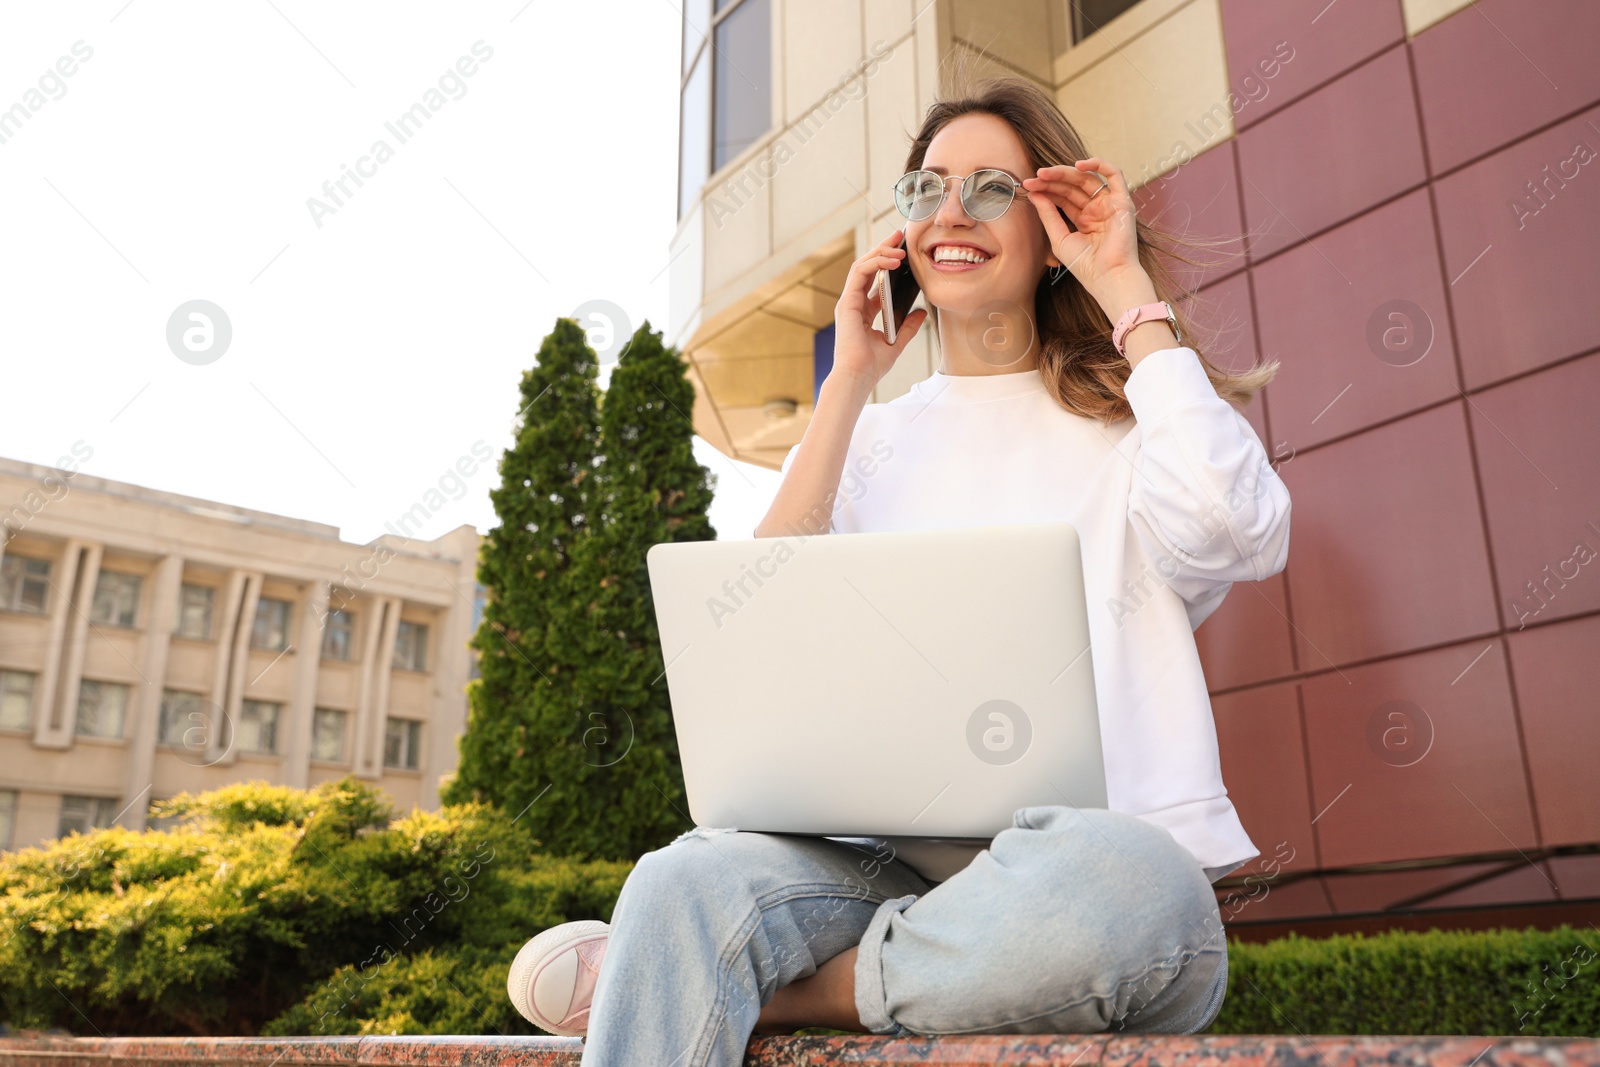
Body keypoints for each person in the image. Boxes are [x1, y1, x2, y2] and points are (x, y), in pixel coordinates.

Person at [504, 74, 1290, 1066]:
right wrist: (847, 386)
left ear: (1054, 229)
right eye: (924, 190)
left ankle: (768, 988)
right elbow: (756, 640)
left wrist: (1124, 284)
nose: (949, 213)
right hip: (876, 870)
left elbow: (1242, 528)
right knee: (680, 884)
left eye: (993, 190)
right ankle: (692, 949)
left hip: (1072, 890)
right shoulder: (866, 438)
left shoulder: (1142, 425)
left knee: (1138, 882)